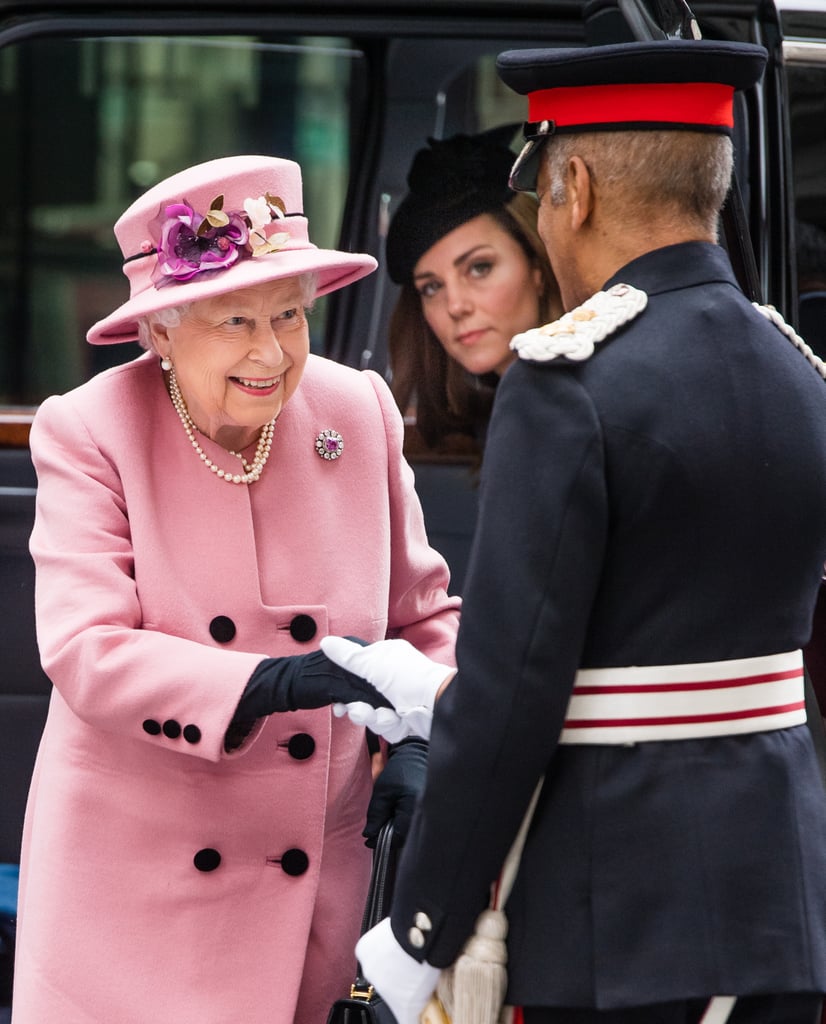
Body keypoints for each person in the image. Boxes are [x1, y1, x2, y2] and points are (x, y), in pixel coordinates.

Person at [322, 39, 826, 1024]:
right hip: (783, 911)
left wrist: (419, 929)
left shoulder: (566, 385)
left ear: (576, 189)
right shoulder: (795, 368)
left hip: (618, 924)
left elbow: (517, 694)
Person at [14, 154, 460, 1024]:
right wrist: (266, 685)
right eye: (235, 320)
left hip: (314, 896)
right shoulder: (91, 430)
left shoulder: (356, 412)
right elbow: (85, 648)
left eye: (289, 315)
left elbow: (427, 618)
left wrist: (426, 736)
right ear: (161, 332)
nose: (271, 351)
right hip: (137, 902)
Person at [385, 126, 562, 457]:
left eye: (479, 268)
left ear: (537, 266)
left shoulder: (580, 414)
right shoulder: (467, 434)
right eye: (432, 287)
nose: (455, 305)